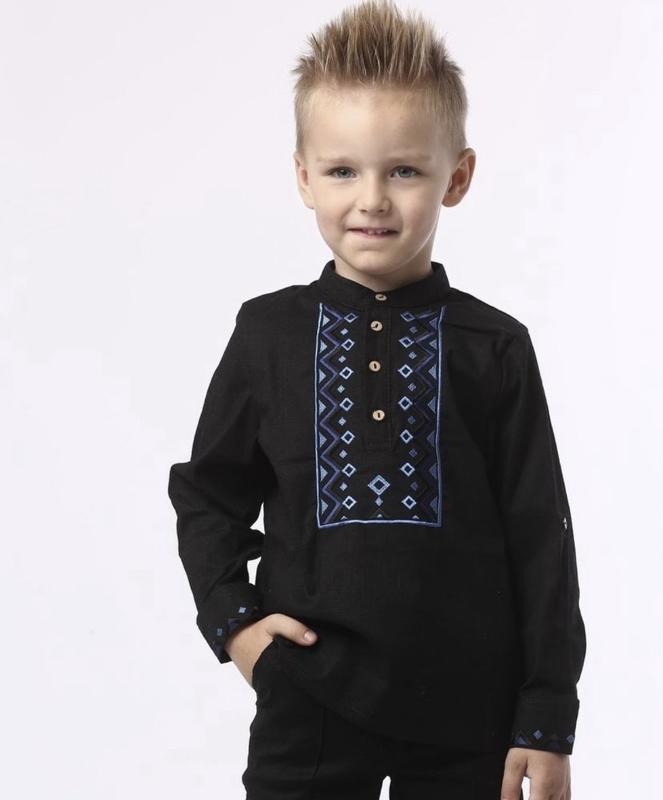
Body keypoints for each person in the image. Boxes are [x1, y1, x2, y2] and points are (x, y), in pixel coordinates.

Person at [167, 1, 586, 798]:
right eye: (341, 171)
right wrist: (235, 625)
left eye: (402, 170)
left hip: (472, 709)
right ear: (302, 176)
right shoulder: (267, 335)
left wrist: (544, 717)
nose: (371, 200)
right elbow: (207, 494)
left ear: (455, 178)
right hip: (309, 695)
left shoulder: (494, 347)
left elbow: (541, 539)